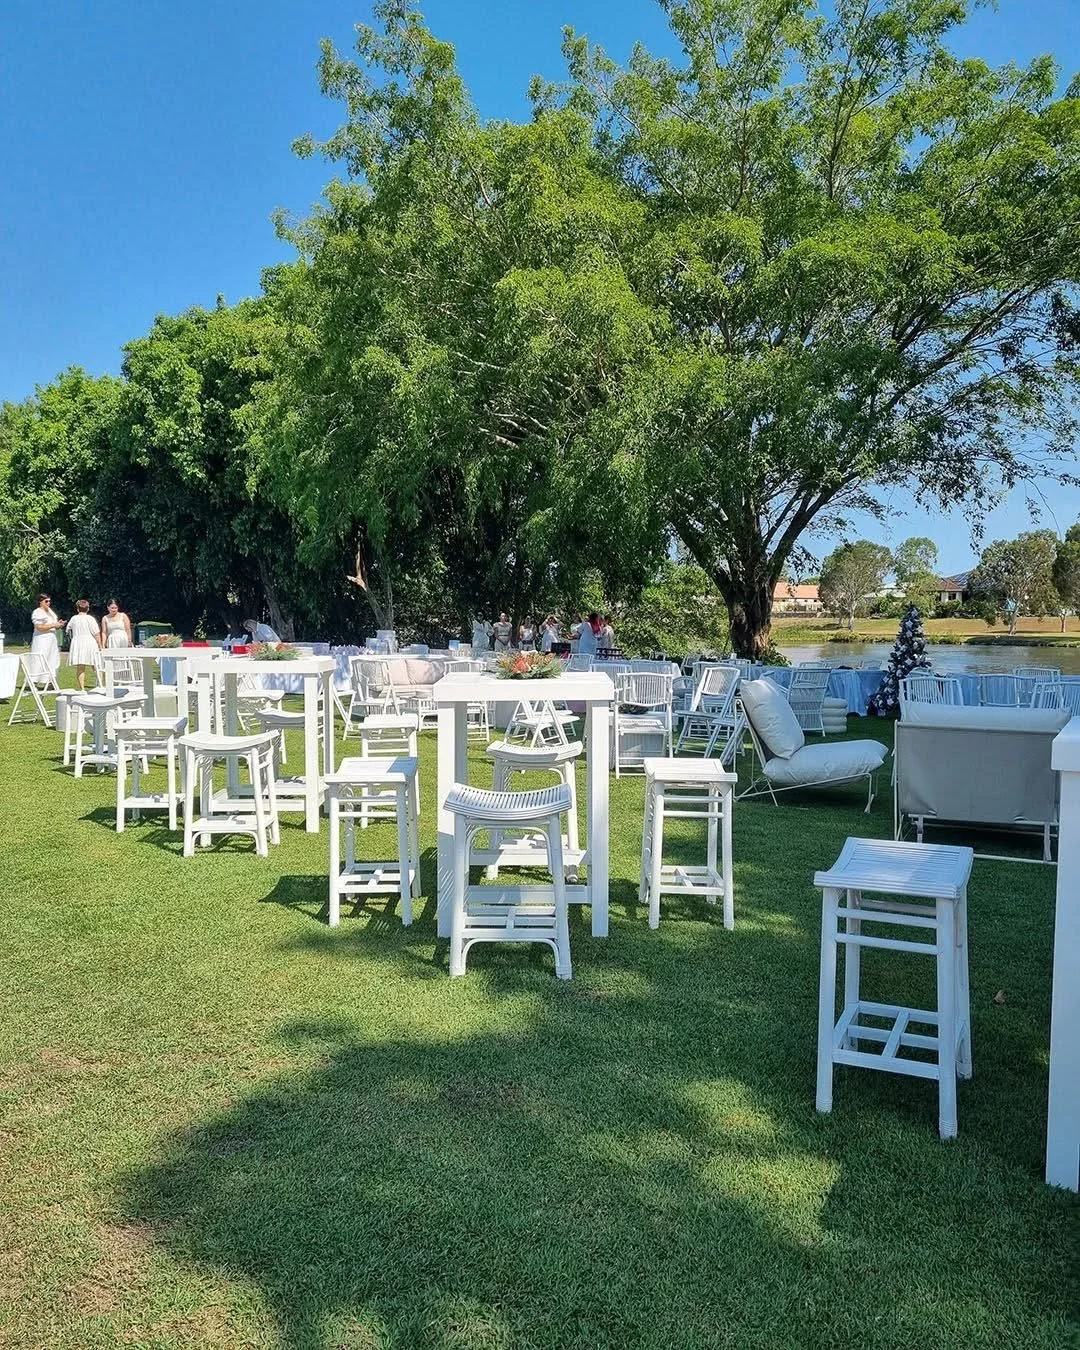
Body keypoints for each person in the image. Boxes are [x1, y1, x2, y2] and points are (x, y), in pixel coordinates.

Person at [65, 599, 101, 691]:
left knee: (80, 666)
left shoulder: (73, 618)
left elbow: (67, 630)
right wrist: (100, 645)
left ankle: (82, 688)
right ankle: (100, 685)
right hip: (90, 642)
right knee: (96, 665)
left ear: (77, 609)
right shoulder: (90, 619)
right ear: (88, 608)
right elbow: (96, 633)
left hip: (78, 642)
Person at [30, 593, 64, 676]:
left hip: (52, 639)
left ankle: (50, 681)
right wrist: (53, 625)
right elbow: (39, 627)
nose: (48, 603)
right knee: (39, 660)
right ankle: (34, 680)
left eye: (49, 601)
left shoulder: (50, 612)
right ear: (40, 602)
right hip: (42, 639)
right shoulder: (37, 612)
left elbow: (53, 625)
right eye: (46, 601)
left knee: (52, 660)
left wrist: (58, 624)